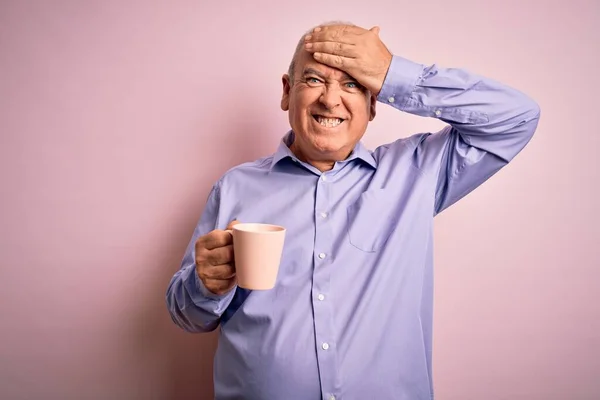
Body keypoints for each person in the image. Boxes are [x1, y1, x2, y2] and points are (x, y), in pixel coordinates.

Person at [166, 22, 540, 400]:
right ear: (286, 91)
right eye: (314, 80)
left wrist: (393, 73)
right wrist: (204, 284)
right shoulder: (235, 187)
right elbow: (187, 315)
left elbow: (517, 117)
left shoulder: (415, 173)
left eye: (352, 84)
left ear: (374, 102)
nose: (330, 101)